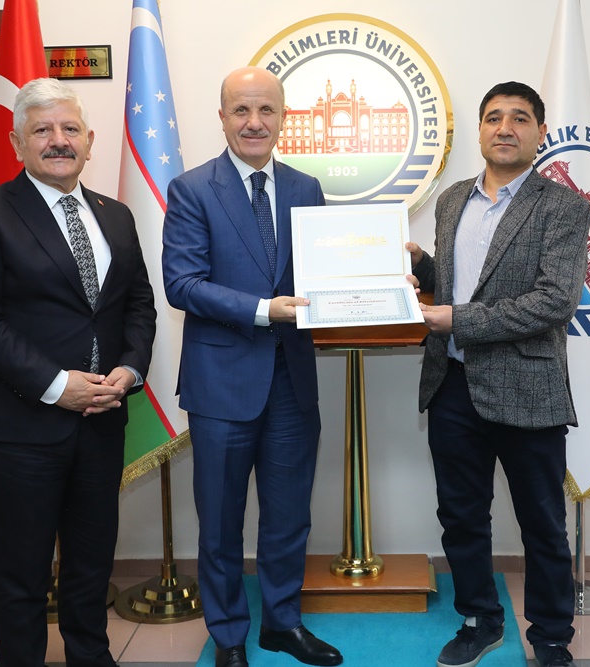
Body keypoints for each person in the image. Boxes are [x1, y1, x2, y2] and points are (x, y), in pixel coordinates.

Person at [0, 77, 157, 667]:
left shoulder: (116, 216)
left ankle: (91, 657)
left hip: (102, 420)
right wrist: (58, 386)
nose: (58, 140)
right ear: (17, 144)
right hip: (19, 428)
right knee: (22, 577)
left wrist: (130, 369)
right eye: (42, 130)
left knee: (91, 566)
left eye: (69, 129)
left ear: (89, 141)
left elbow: (138, 304)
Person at [161, 66, 341, 667]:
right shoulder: (192, 189)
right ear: (222, 118)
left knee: (289, 517)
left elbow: (324, 275)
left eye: (266, 110)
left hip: (292, 382)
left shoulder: (306, 187)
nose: (255, 122)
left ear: (284, 117)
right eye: (242, 110)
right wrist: (265, 310)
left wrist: (380, 279)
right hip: (221, 385)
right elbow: (183, 284)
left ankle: (282, 624)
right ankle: (230, 637)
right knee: (220, 523)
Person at [406, 81, 589, 667]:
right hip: (453, 384)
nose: (504, 128)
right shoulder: (451, 200)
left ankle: (551, 637)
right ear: (481, 130)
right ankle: (479, 619)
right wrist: (421, 267)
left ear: (540, 133)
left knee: (542, 522)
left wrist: (455, 318)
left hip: (527, 387)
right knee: (461, 517)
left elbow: (553, 302)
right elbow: (462, 281)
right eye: (493, 117)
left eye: (519, 118)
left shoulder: (563, 207)